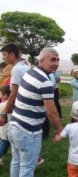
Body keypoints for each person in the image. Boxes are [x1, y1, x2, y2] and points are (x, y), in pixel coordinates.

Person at [6, 47, 63, 177]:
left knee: (16, 161)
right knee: (27, 168)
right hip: (28, 132)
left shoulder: (29, 72)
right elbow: (52, 112)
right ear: (42, 61)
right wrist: (60, 129)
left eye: (58, 60)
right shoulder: (45, 82)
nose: (56, 63)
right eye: (52, 60)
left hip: (14, 126)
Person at [0, 43, 30, 127]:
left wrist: (3, 113)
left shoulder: (16, 69)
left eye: (4, 54)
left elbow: (13, 94)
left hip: (20, 108)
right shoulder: (26, 66)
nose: (3, 58)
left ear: (12, 54)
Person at [0, 85, 11, 166]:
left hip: (5, 130)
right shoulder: (14, 104)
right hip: (10, 130)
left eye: (1, 94)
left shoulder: (2, 105)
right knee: (4, 145)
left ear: (5, 95)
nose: (0, 96)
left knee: (4, 145)